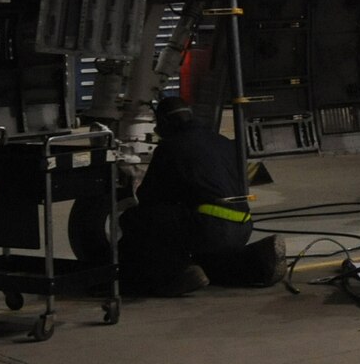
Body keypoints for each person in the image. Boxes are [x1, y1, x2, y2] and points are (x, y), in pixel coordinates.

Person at [118, 96, 285, 296]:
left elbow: (149, 197)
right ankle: (257, 263)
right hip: (243, 227)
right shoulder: (224, 142)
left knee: (135, 219)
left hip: (210, 229)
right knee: (205, 254)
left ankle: (168, 276)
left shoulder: (171, 147)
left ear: (165, 123)